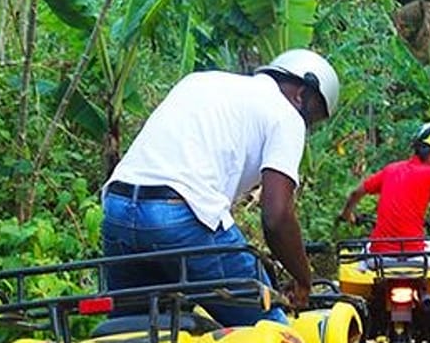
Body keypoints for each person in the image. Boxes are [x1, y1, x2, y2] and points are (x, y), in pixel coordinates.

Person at [100, 48, 338, 327]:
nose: (306, 127)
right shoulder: (286, 115)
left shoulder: (200, 81)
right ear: (301, 94)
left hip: (117, 207)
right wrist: (303, 278)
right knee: (269, 331)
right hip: (182, 214)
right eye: (311, 118)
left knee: (136, 331)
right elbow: (277, 217)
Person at [337, 121, 430, 255]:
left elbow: (356, 193)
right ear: (424, 150)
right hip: (413, 253)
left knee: (361, 253)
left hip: (379, 253)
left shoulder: (390, 170)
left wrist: (347, 214)